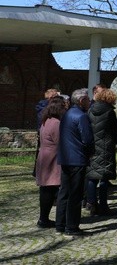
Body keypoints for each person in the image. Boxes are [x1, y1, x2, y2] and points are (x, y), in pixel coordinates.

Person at [56, 88, 94, 236]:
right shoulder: (81, 116)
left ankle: (60, 224)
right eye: (87, 99)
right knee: (75, 194)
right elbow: (87, 139)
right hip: (77, 159)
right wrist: (90, 153)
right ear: (81, 101)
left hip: (65, 158)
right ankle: (72, 226)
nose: (89, 102)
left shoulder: (67, 114)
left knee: (64, 192)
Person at [86, 87, 117, 216]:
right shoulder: (110, 112)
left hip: (92, 147)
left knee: (92, 177)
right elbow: (115, 131)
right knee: (104, 178)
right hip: (106, 147)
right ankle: (104, 206)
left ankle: (91, 204)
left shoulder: (90, 110)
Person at [35, 96, 67, 228]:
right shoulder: (55, 123)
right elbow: (61, 142)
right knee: (51, 189)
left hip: (45, 157)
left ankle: (44, 218)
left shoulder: (46, 120)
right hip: (52, 159)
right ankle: (48, 219)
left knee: (46, 189)